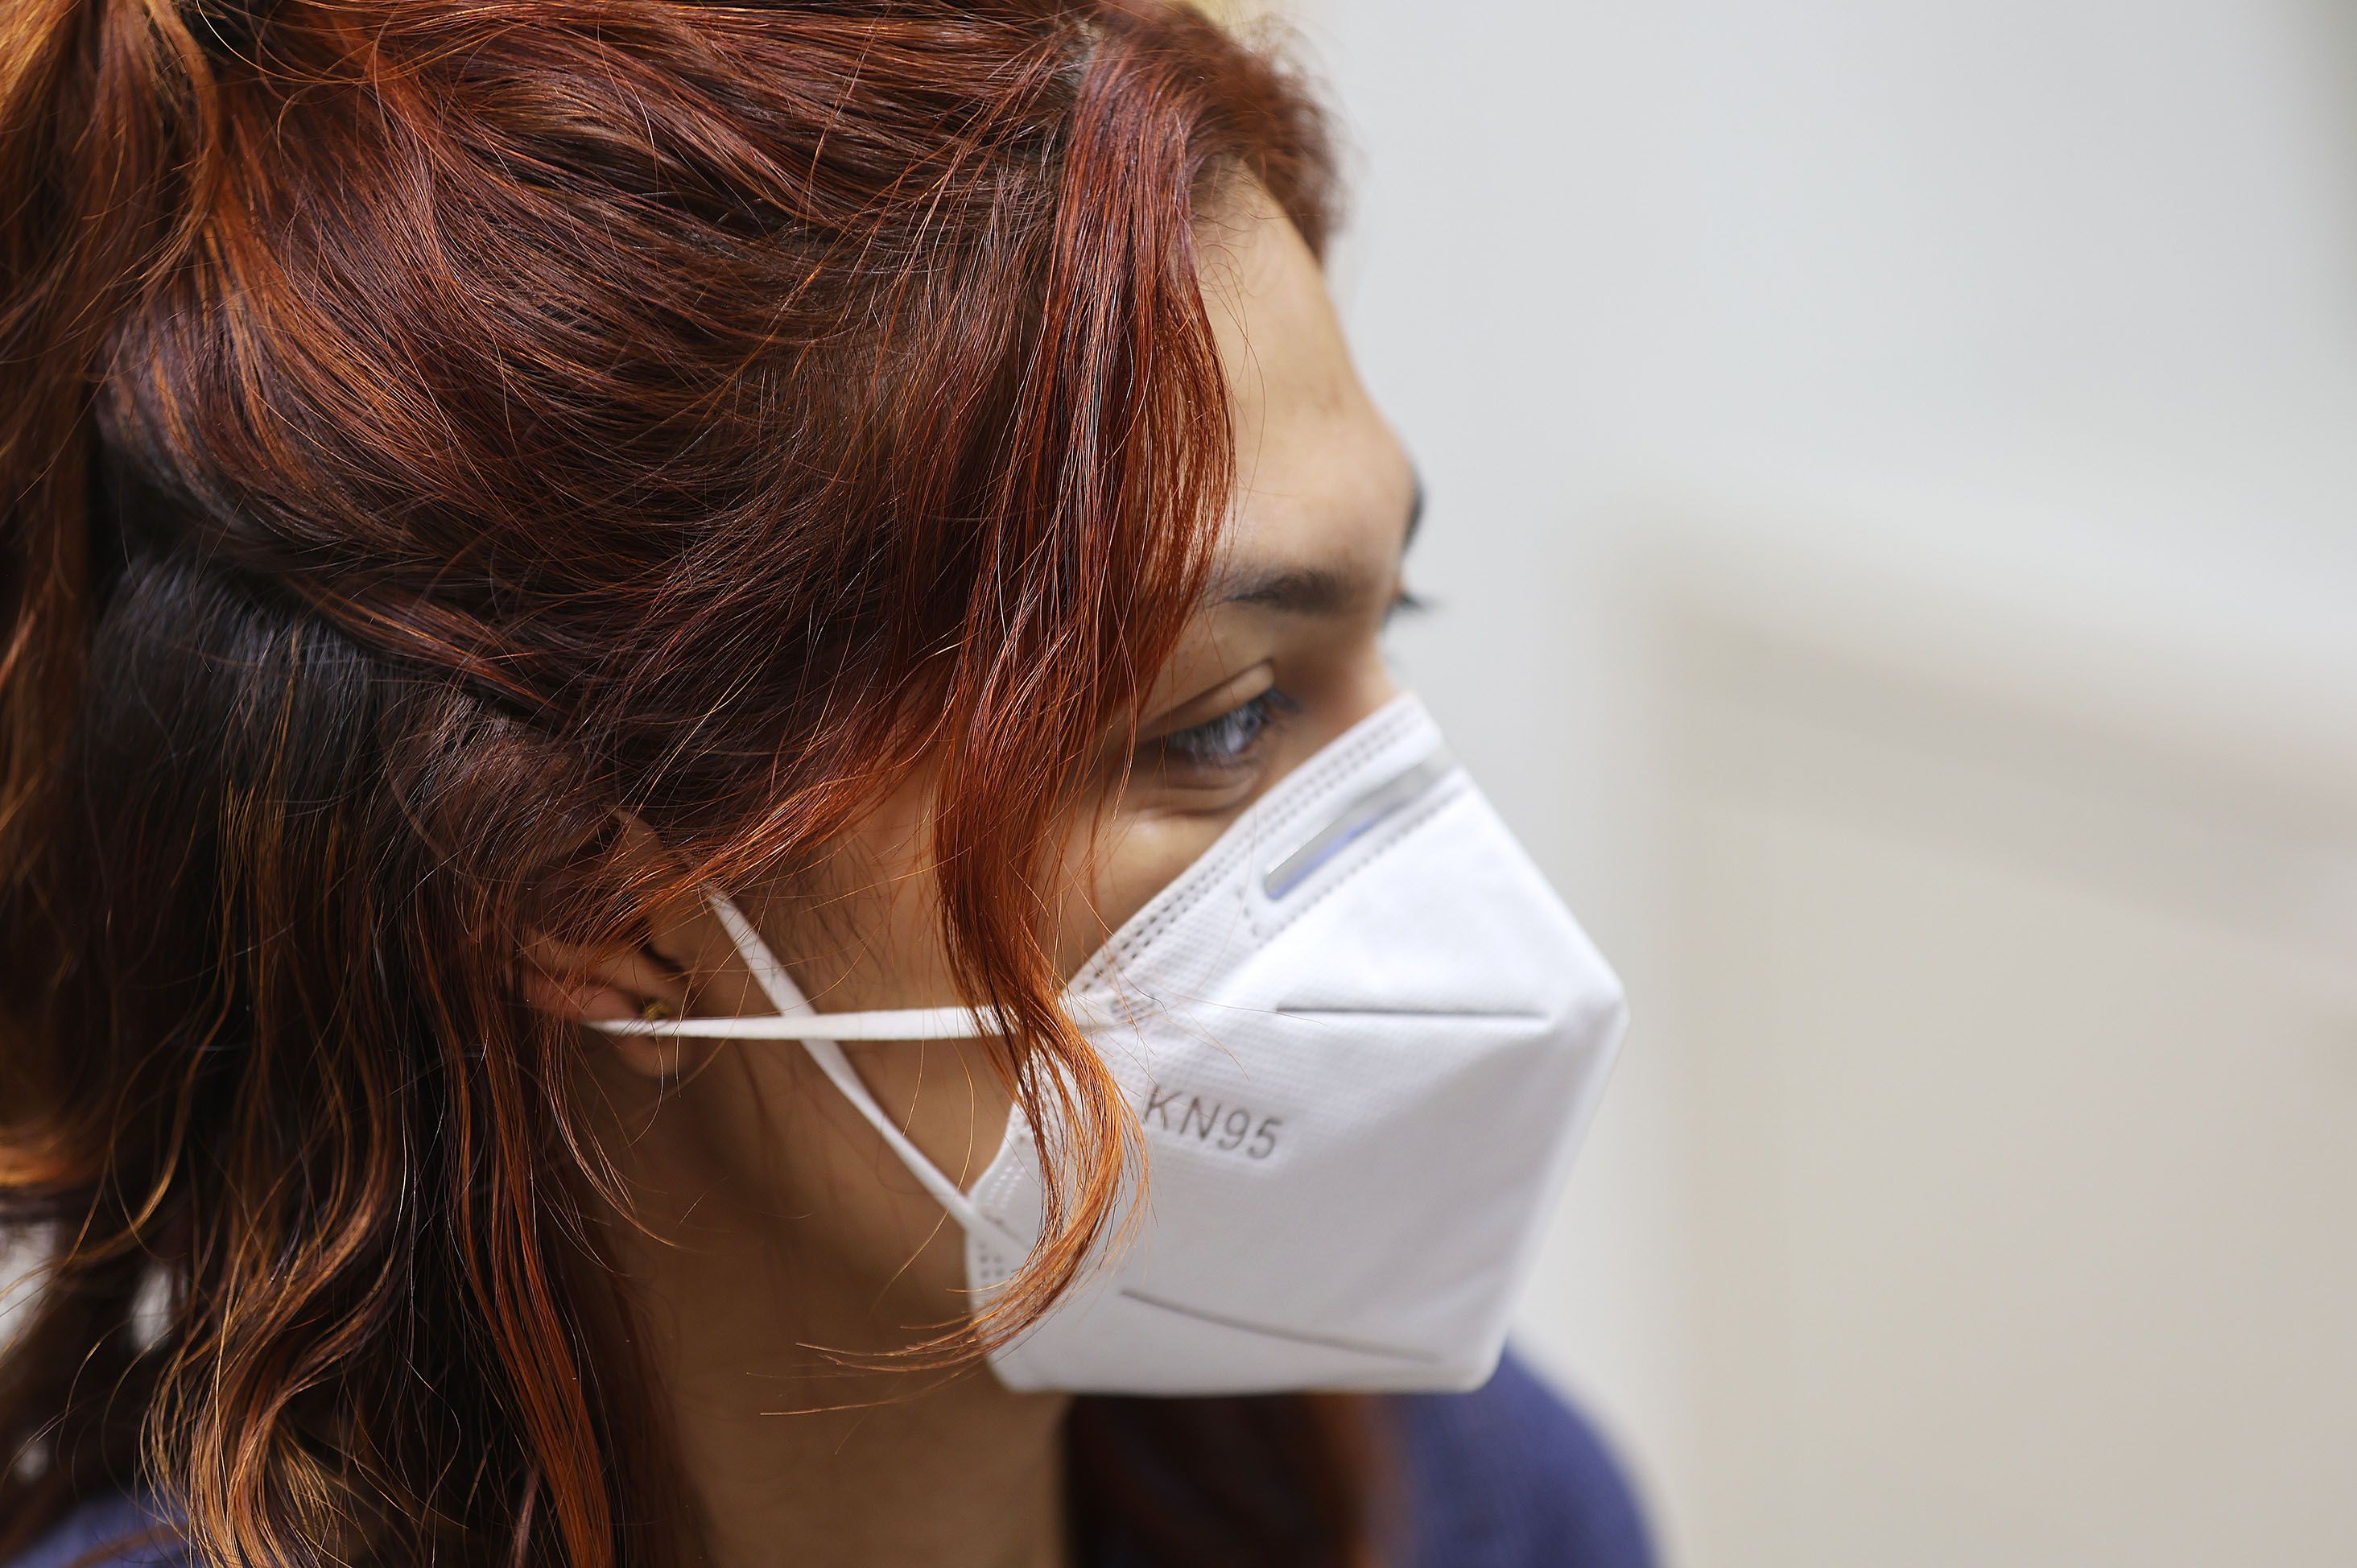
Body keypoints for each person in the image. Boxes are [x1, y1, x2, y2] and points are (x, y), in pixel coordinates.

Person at [0, 2, 1655, 1565]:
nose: (1454, 866)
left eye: (1389, 625)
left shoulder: (1463, 1500)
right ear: (580, 879)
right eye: (1222, 720)